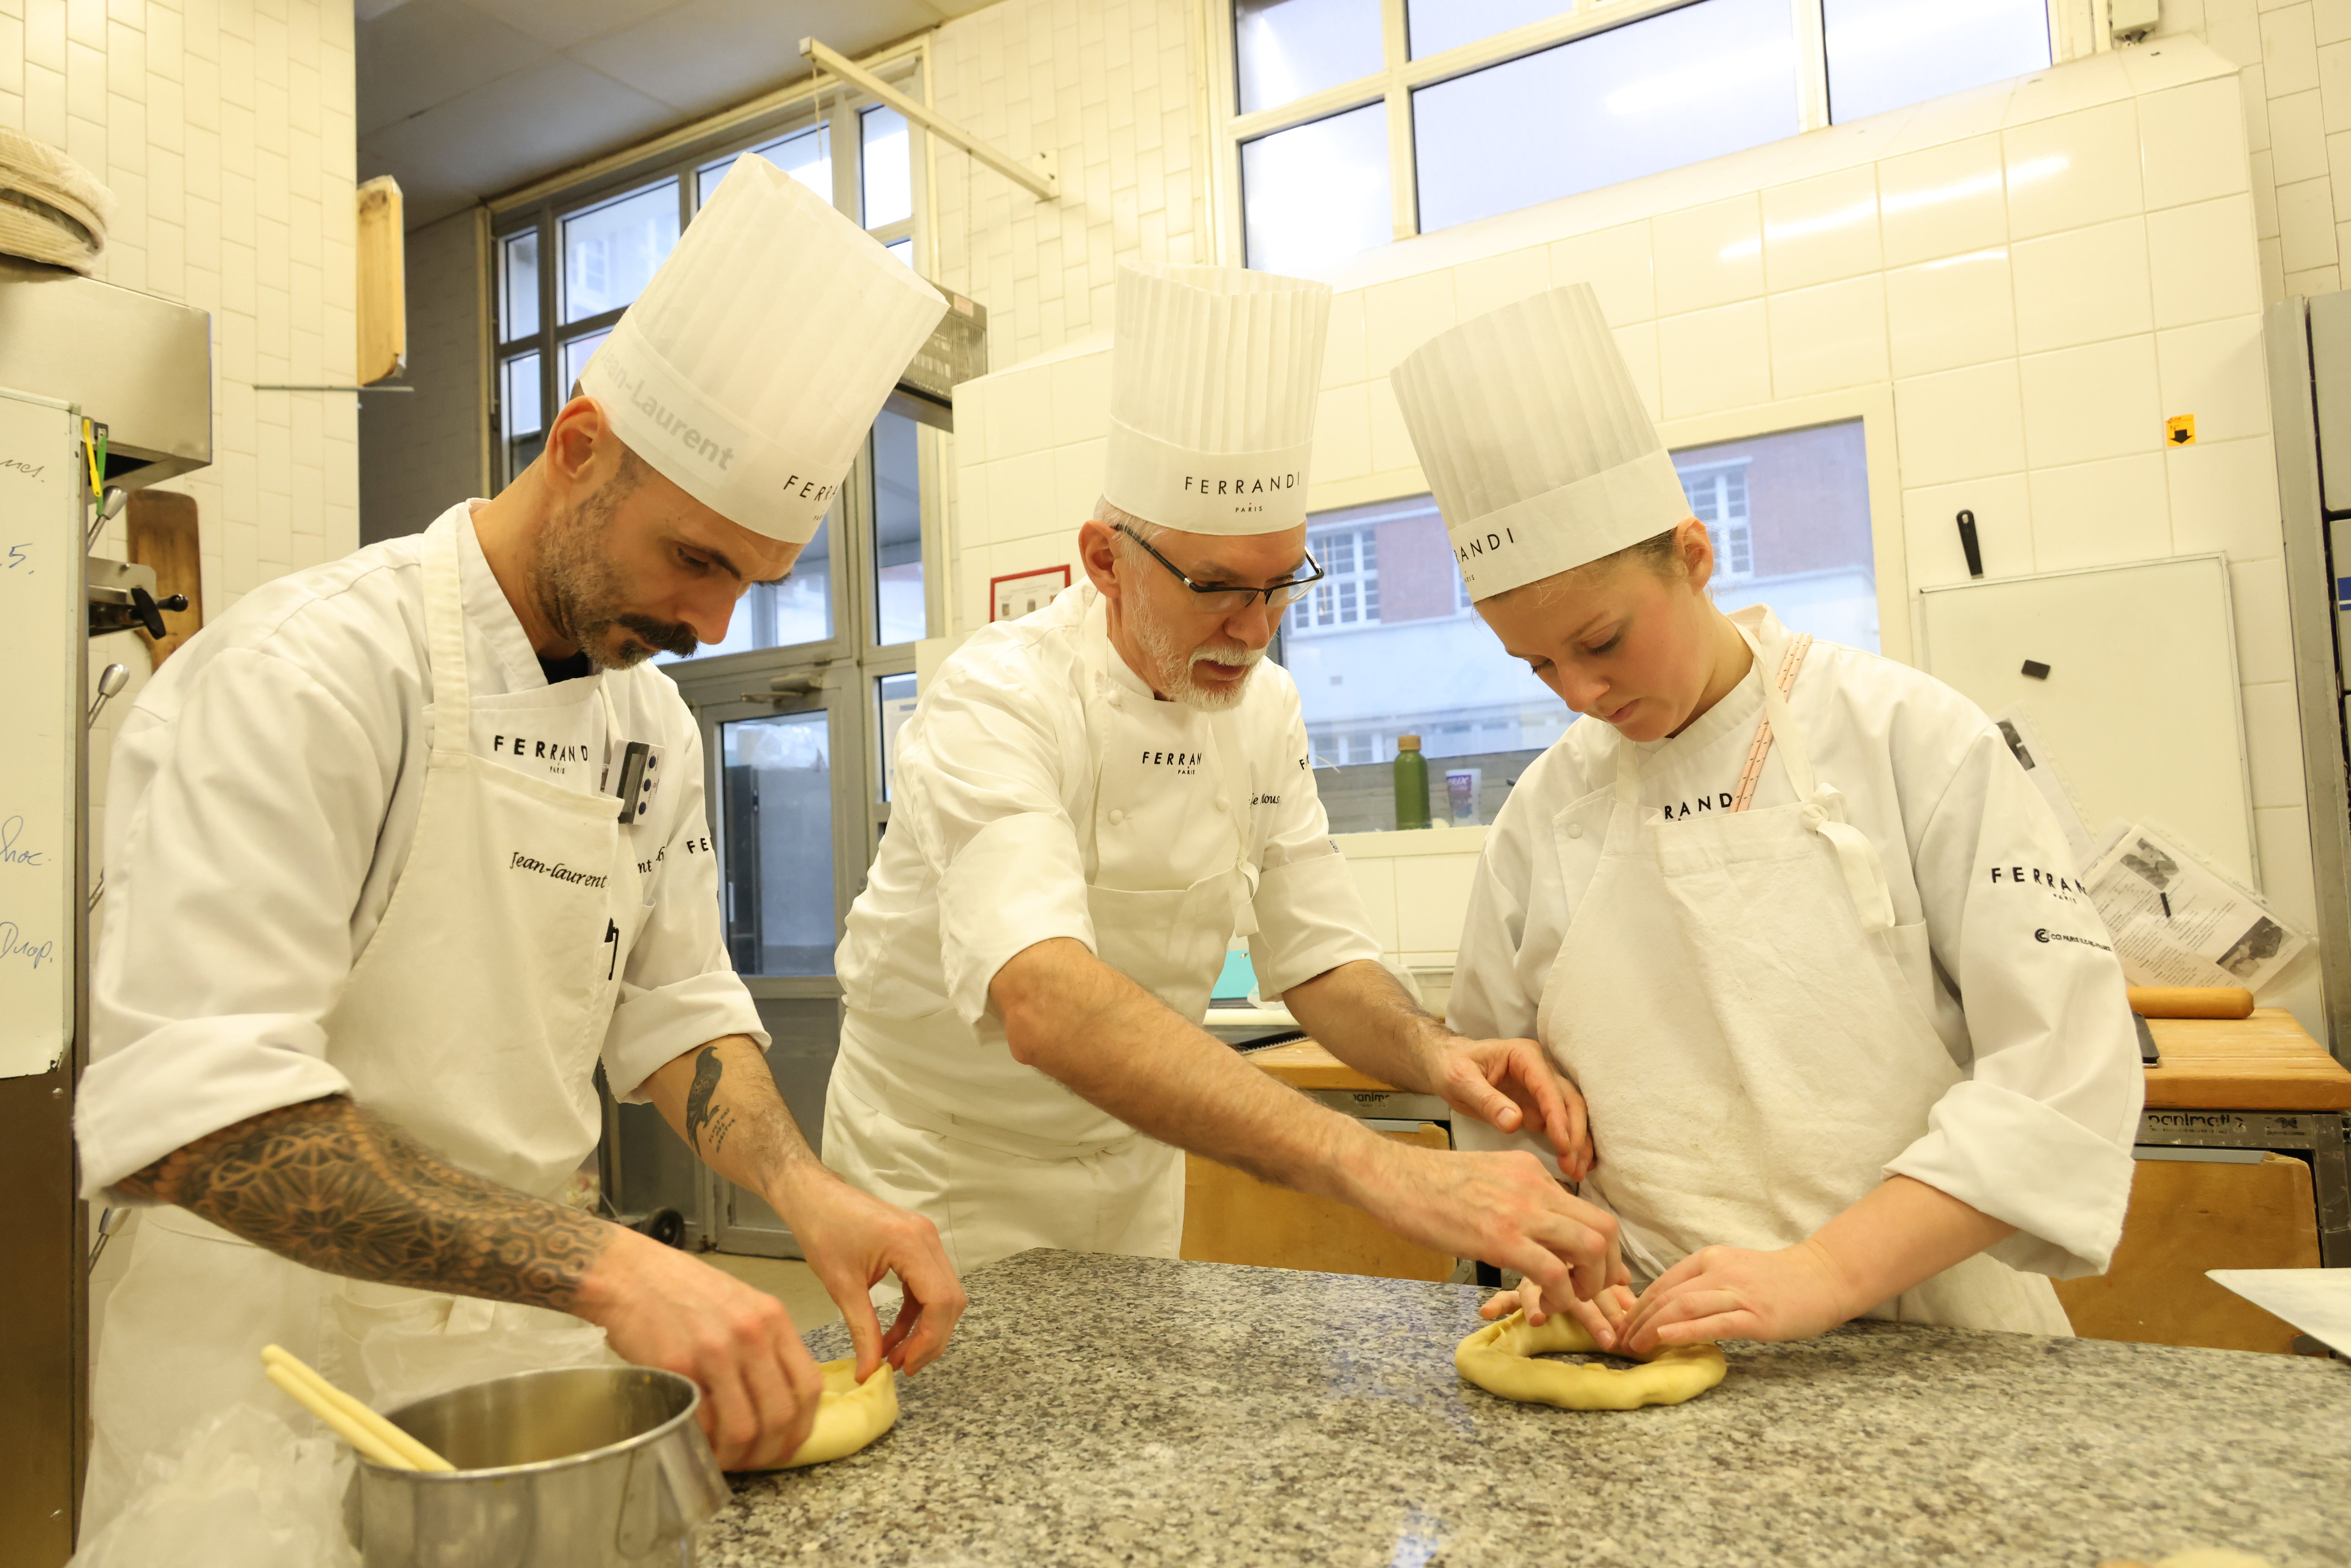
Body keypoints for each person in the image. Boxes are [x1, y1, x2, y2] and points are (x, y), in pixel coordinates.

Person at [75, 155, 966, 1523]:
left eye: (753, 579)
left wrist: (805, 1189)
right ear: (579, 447)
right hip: (261, 1372)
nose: (715, 626)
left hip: (521, 1351)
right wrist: (615, 1268)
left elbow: (673, 1013)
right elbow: (197, 1123)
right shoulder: (315, 673)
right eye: (697, 560)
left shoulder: (649, 729)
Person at [823, 261, 1628, 1337]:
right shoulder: (998, 698)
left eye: (1280, 585)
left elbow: (1319, 961)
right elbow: (1045, 999)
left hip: (1133, 1175)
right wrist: (1385, 1176)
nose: (1253, 631)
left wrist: (1436, 1054)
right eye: (1214, 589)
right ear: (1105, 561)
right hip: (940, 1183)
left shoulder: (1267, 710)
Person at [1389, 283, 2143, 1349]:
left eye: (1602, 643)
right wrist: (1552, 1250)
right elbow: (1495, 1085)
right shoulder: (1547, 809)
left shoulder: (1908, 738)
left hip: (1936, 1337)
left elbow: (2060, 1075)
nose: (1580, 696)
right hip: (1637, 1338)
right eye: (1537, 663)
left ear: (1694, 556)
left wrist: (1828, 1269)